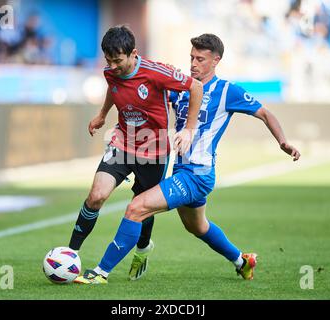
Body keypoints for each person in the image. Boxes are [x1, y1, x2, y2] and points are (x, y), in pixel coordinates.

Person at [74, 33, 300, 284]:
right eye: (191, 57)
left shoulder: (228, 91)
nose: (193, 63)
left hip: (197, 174)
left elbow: (265, 114)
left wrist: (283, 142)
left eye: (200, 59)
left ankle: (100, 272)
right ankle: (242, 261)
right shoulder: (181, 89)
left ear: (216, 60)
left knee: (136, 207)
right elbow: (147, 95)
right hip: (180, 169)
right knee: (197, 227)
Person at [67, 25, 203, 279]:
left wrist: (189, 130)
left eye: (118, 60)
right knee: (96, 196)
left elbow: (196, 87)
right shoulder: (111, 71)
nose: (112, 66)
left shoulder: (156, 72)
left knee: (142, 206)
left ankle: (142, 248)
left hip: (154, 150)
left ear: (133, 54)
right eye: (108, 61)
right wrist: (102, 115)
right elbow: (113, 85)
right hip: (123, 143)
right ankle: (70, 254)